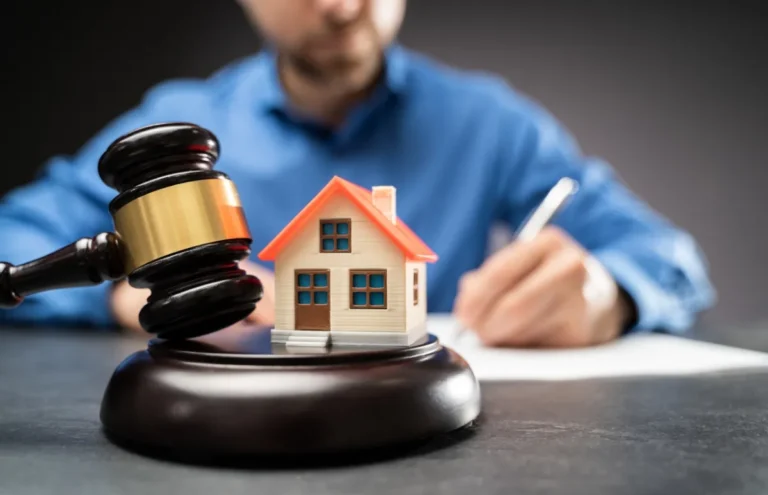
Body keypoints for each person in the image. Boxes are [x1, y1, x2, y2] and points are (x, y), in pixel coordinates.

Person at [0, 0, 715, 347]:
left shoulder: (491, 122)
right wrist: (126, 296)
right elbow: (14, 240)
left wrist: (608, 292)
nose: (342, 7)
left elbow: (668, 255)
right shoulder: (178, 127)